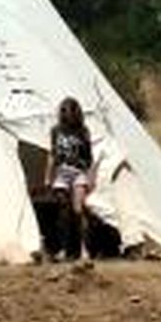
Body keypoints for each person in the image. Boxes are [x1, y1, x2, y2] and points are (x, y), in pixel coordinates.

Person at [44, 97, 97, 260]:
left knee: (78, 210)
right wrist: (47, 176)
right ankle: (63, 248)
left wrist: (90, 178)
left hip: (78, 172)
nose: (68, 117)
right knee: (63, 211)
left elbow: (89, 157)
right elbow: (52, 154)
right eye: (65, 113)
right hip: (62, 172)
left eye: (71, 113)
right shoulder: (55, 131)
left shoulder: (83, 131)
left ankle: (83, 248)